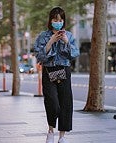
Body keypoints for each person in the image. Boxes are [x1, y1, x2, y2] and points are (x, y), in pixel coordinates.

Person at [33, 7, 80, 143]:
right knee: (52, 102)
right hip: (49, 71)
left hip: (64, 71)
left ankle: (62, 136)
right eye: (55, 19)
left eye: (60, 20)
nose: (58, 22)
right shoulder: (43, 36)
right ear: (50, 20)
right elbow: (39, 56)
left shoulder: (69, 35)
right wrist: (51, 41)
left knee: (65, 103)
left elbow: (74, 54)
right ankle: (50, 131)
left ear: (63, 20)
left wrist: (65, 41)